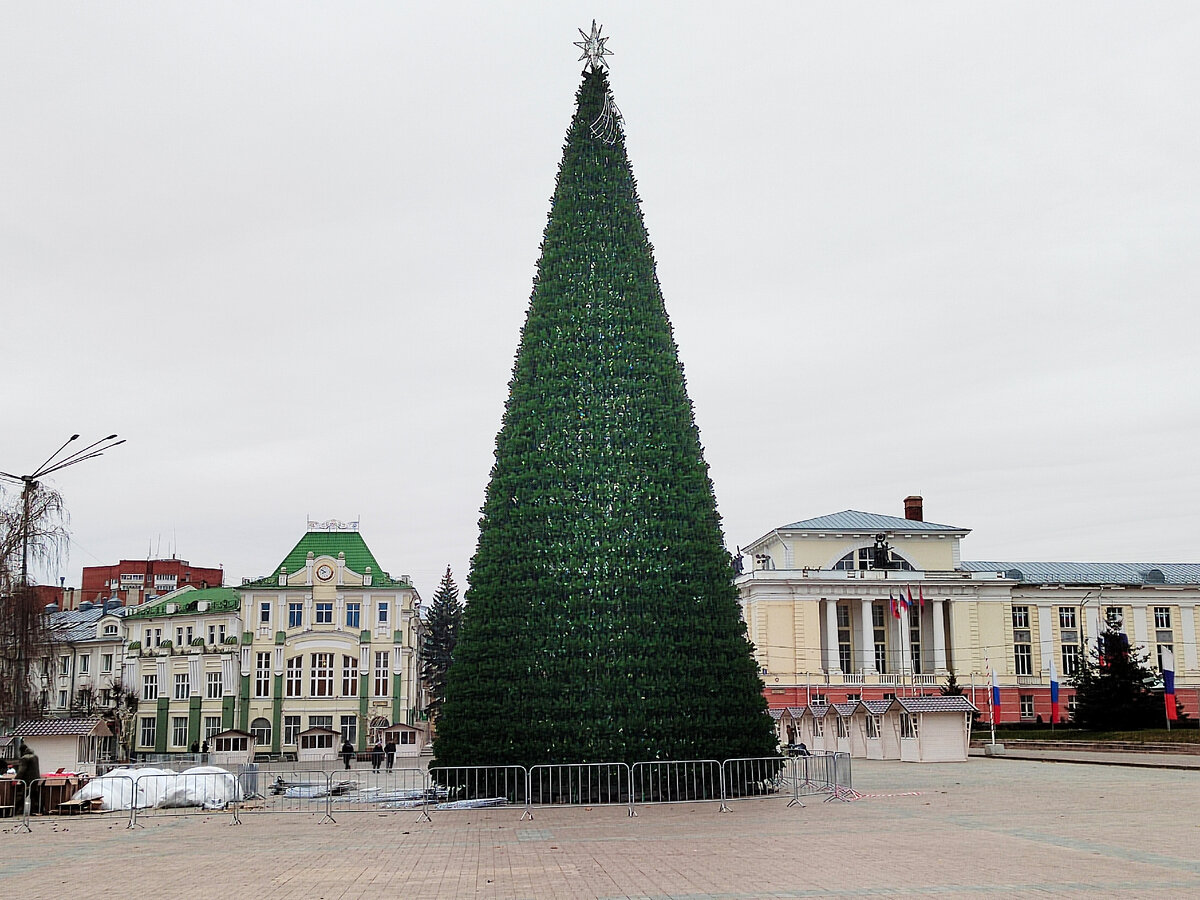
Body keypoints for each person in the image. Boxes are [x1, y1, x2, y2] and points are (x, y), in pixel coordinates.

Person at [15, 741, 40, 815]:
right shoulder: (35, 756)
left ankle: (16, 810)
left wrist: (16, 778)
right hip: (35, 778)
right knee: (33, 795)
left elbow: (22, 770)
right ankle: (35, 810)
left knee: (23, 795)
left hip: (27, 780)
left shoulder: (25, 758)